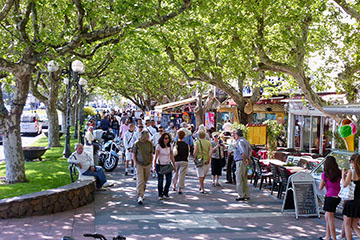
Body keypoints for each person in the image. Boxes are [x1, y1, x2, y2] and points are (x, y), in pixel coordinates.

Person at [319, 156, 341, 240]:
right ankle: (327, 236)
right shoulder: (339, 173)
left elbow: (320, 187)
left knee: (330, 218)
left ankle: (334, 238)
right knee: (327, 216)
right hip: (337, 197)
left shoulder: (325, 174)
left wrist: (325, 183)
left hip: (329, 197)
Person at [132, 130, 154, 205]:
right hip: (139, 164)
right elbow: (134, 154)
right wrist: (135, 163)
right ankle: (140, 195)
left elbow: (151, 153)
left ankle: (142, 192)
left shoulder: (149, 144)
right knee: (140, 180)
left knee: (145, 179)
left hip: (147, 164)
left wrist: (151, 163)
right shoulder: (137, 144)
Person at [342, 154, 360, 240]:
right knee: (354, 225)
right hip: (359, 201)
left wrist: (343, 175)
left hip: (351, 201)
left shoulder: (351, 172)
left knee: (347, 224)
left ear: (352, 162)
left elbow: (345, 184)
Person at [153, 133, 177, 200]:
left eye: (168, 138)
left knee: (169, 180)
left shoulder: (170, 146)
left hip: (167, 165)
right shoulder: (159, 146)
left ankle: (166, 192)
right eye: (165, 138)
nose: (167, 140)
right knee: (160, 181)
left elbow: (172, 156)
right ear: (162, 139)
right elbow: (156, 156)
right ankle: (160, 194)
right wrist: (154, 166)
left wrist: (174, 165)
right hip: (160, 165)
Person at [234, 129, 252, 201]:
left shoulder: (239, 142)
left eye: (234, 134)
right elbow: (250, 151)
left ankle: (241, 195)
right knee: (244, 178)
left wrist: (244, 159)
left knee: (239, 179)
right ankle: (246, 194)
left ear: (237, 135)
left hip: (241, 161)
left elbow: (243, 152)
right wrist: (248, 159)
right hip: (245, 161)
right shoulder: (246, 141)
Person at [172, 130, 189, 194]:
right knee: (182, 175)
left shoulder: (175, 143)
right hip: (184, 160)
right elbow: (187, 154)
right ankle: (180, 188)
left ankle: (174, 186)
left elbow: (172, 152)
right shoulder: (186, 145)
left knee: (175, 173)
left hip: (176, 160)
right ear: (184, 136)